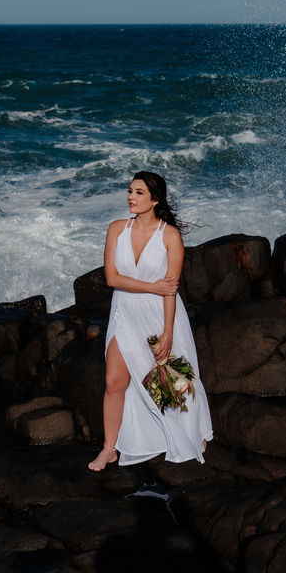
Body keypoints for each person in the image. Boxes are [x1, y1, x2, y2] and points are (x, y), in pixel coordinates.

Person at [88, 171, 213, 470]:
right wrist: (151, 286)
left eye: (139, 192)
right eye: (130, 191)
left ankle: (193, 429)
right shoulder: (116, 229)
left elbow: (170, 290)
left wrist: (168, 332)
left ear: (156, 200)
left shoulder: (170, 235)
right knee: (114, 381)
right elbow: (112, 278)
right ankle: (109, 449)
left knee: (171, 378)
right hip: (124, 312)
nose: (131, 197)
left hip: (160, 314)